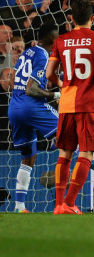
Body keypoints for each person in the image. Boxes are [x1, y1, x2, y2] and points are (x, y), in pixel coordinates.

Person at [46, 0, 94, 214]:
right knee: (86, 154)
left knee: (64, 154)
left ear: (71, 18)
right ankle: (70, 203)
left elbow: (49, 74)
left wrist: (62, 86)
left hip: (66, 102)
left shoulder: (61, 40)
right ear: (92, 19)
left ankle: (58, 205)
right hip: (89, 102)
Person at [7, 24, 60, 213]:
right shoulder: (43, 55)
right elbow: (32, 89)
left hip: (14, 106)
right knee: (67, 128)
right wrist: (55, 95)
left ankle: (19, 206)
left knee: (28, 157)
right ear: (53, 40)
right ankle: (89, 163)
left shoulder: (28, 52)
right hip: (30, 105)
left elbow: (16, 81)